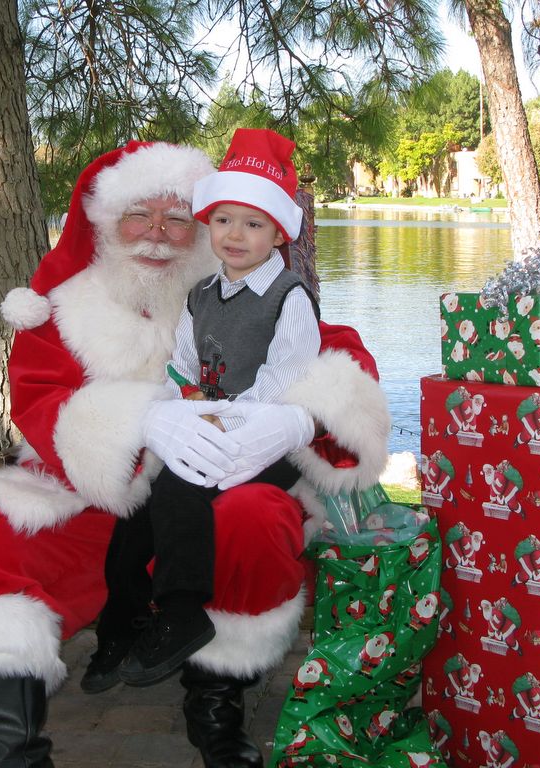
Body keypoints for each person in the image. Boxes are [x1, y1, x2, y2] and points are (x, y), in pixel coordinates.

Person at [0, 140, 391, 768]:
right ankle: (7, 748)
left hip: (213, 490)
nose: (158, 233)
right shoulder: (64, 308)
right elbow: (39, 404)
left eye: (177, 216)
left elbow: (340, 354)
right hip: (91, 495)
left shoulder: (237, 284)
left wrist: (295, 418)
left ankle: (216, 703)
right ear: (104, 220)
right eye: (138, 214)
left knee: (255, 514)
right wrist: (141, 421)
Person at [99, 129, 323, 689]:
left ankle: (181, 611)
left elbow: (290, 371)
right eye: (224, 220)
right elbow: (183, 363)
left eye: (253, 223)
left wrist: (237, 417)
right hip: (211, 426)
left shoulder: (288, 295)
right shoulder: (202, 294)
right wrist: (182, 407)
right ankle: (122, 617)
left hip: (268, 437)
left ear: (277, 232)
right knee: (139, 504)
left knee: (178, 492)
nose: (235, 235)